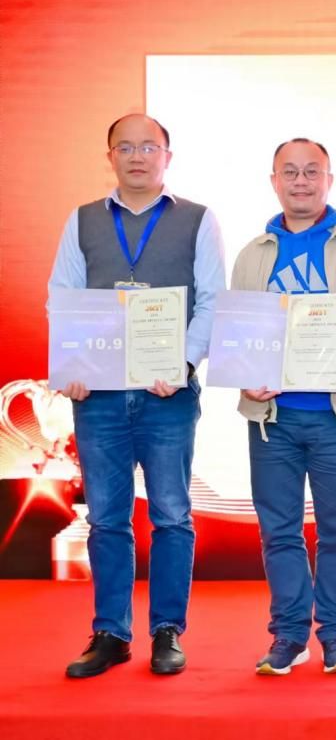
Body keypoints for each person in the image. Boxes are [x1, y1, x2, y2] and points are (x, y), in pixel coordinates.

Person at [50, 113, 225, 678]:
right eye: (124, 147)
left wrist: (185, 363)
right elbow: (62, 297)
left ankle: (167, 631)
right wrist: (72, 366)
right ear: (110, 157)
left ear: (167, 156)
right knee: (106, 518)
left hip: (167, 393)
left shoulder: (198, 219)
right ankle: (111, 633)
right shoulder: (82, 220)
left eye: (149, 147)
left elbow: (212, 300)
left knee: (171, 515)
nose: (137, 157)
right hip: (98, 395)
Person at [233, 138, 336, 675]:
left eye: (311, 172)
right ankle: (288, 635)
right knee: (278, 531)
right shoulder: (253, 254)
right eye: (290, 172)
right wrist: (245, 379)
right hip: (272, 420)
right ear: (273, 181)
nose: (300, 181)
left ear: (329, 180)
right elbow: (238, 329)